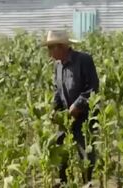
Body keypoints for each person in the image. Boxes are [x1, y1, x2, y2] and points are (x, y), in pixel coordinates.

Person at [42, 30, 100, 187]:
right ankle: (63, 183)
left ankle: (86, 183)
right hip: (67, 116)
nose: (49, 53)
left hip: (85, 116)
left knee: (86, 155)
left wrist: (78, 105)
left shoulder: (83, 60)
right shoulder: (58, 66)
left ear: (61, 47)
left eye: (50, 48)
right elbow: (57, 91)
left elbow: (93, 88)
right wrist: (54, 108)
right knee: (60, 152)